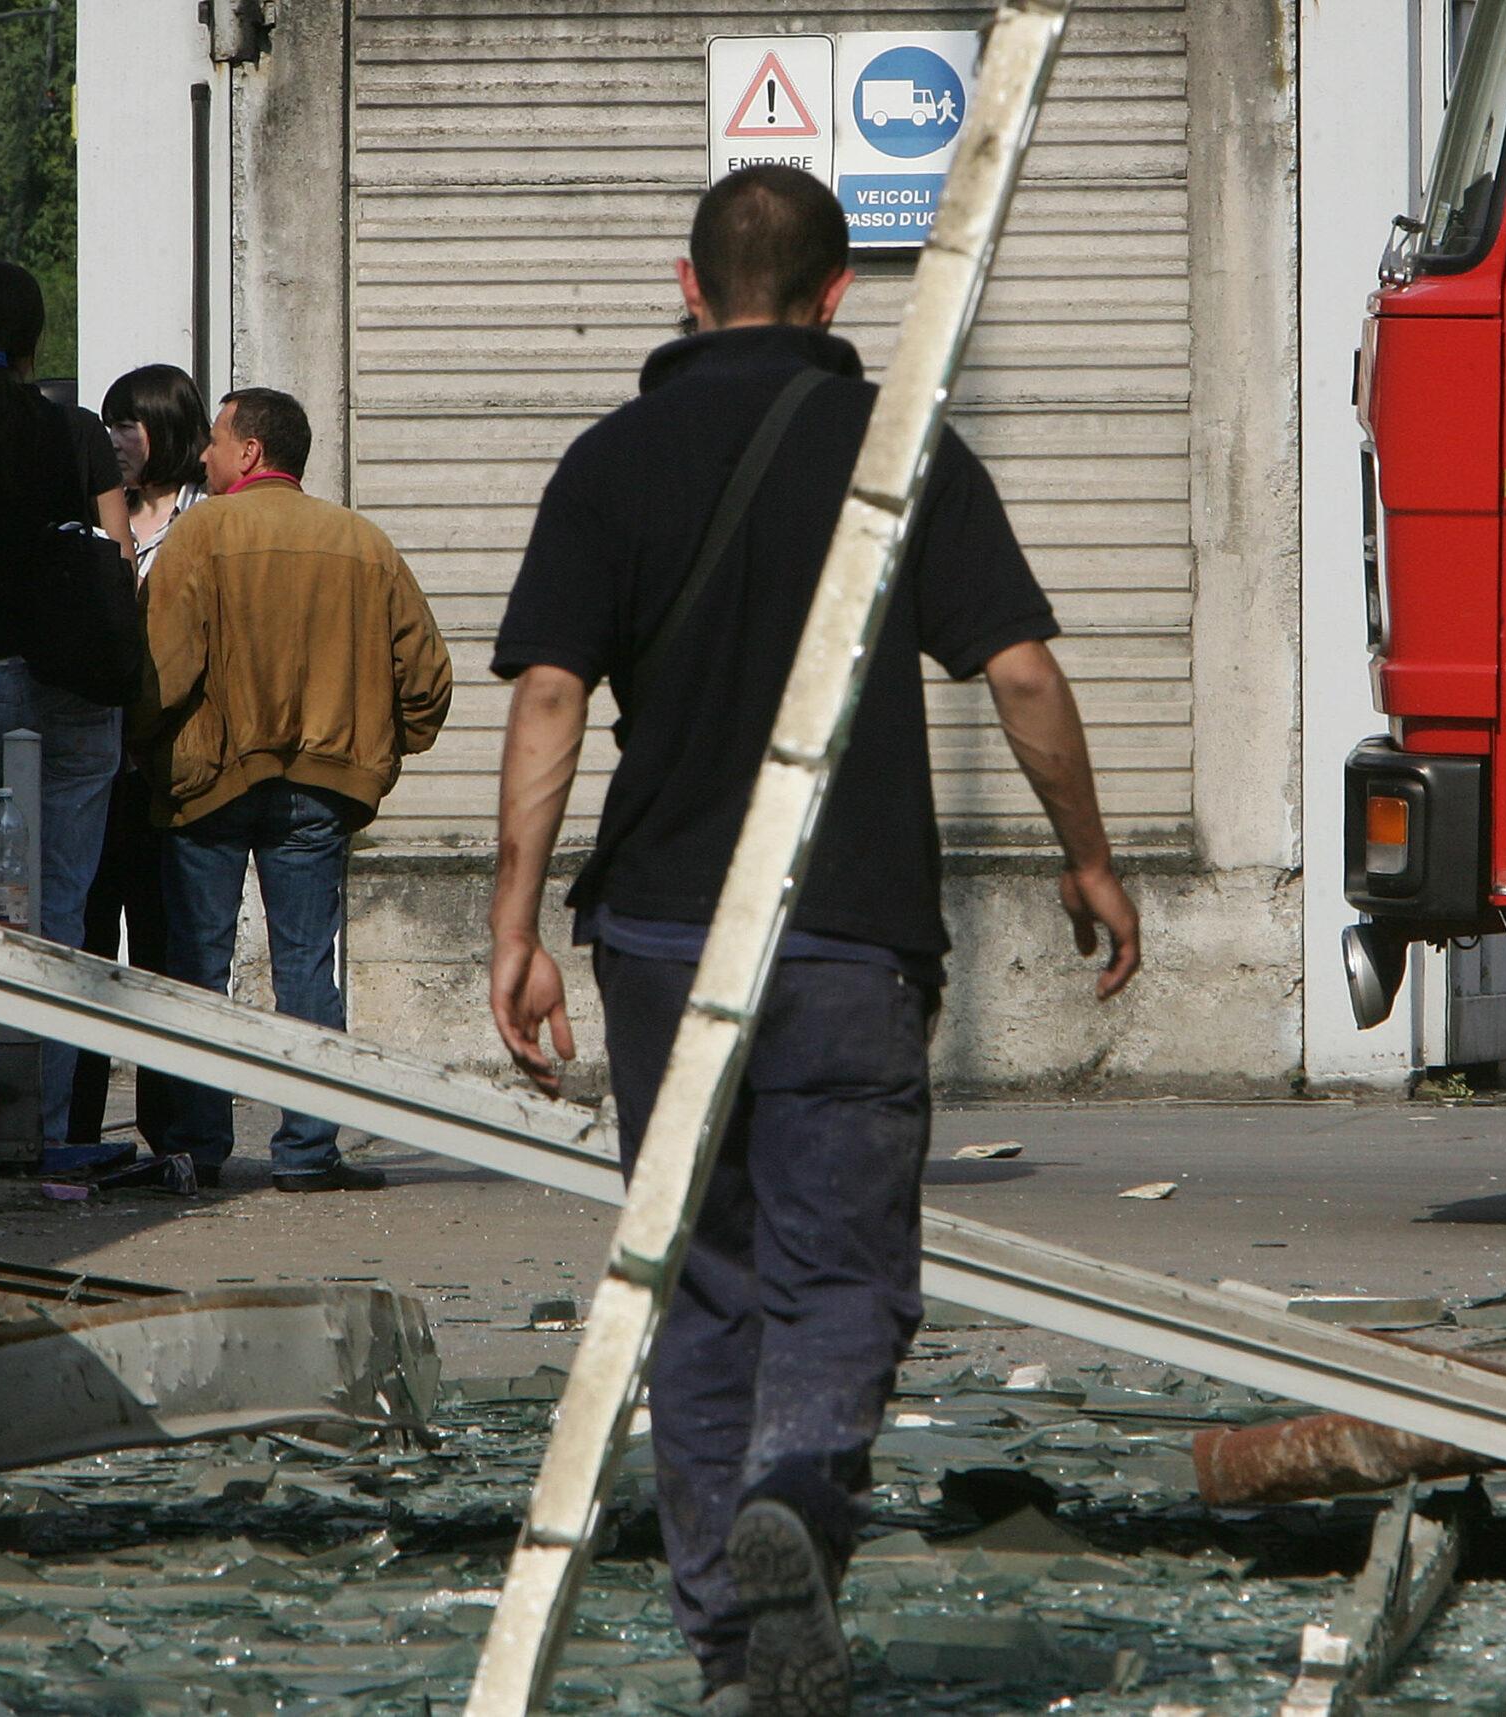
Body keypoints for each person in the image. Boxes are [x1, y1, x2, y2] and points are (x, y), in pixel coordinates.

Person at [486, 164, 1141, 1716]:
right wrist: (1091, 859)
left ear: (685, 281)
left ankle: (731, 1645)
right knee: (840, 1271)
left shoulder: (608, 463)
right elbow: (1025, 677)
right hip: (848, 932)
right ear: (840, 294)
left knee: (700, 1275)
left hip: (655, 934)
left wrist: (514, 928)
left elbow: (550, 700)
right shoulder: (897, 447)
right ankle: (799, 1491)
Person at [135, 386, 454, 1191]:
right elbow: (428, 678)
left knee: (199, 966)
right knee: (309, 966)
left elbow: (162, 675)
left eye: (214, 440)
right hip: (321, 785)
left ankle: (198, 1152)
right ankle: (308, 1151)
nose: (201, 455)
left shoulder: (198, 535)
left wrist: (139, 747)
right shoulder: (362, 542)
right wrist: (378, 749)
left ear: (250, 452)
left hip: (208, 782)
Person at [0, 260, 134, 1148]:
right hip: (75, 682)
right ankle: (47, 1125)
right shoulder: (78, 432)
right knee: (59, 905)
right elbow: (121, 554)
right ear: (34, 343)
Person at [60, 363, 210, 1169]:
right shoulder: (91, 514)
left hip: (168, 772)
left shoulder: (203, 524)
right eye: (110, 422)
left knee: (164, 954)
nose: (117, 437)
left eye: (134, 423)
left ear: (172, 430)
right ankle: (78, 1123)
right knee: (86, 942)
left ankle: (172, 1130)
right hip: (96, 766)